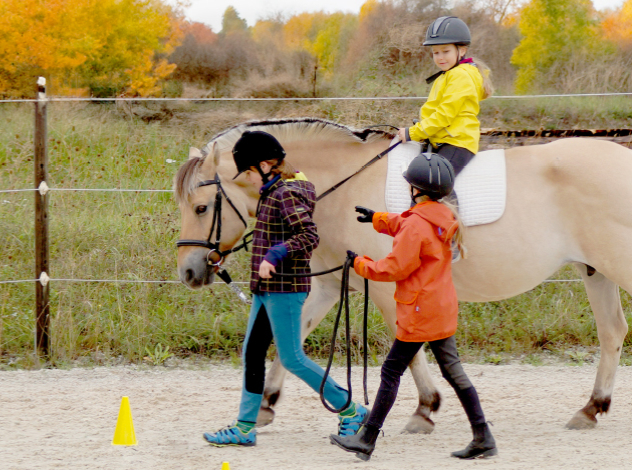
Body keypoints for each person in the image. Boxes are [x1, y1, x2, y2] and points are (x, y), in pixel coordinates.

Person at [203, 130, 368, 447]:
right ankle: (245, 427)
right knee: (252, 353)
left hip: (286, 289)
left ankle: (351, 410)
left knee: (292, 358)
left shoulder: (286, 194)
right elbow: (269, 234)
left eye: (249, 172)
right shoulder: (272, 191)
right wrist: (224, 255)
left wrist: (275, 255)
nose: (248, 180)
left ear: (265, 165)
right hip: (266, 289)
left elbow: (308, 236)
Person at [329, 153, 497, 461]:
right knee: (453, 372)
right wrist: (378, 218)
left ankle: (366, 439)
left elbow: (394, 268)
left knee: (391, 371)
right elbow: (409, 225)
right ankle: (483, 435)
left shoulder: (417, 224)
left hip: (419, 311)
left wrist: (360, 264)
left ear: (416, 190)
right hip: (441, 306)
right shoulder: (442, 215)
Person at [396, 16, 494, 177]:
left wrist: (413, 133)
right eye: (436, 53)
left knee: (434, 182)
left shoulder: (460, 76)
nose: (440, 57)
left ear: (461, 50)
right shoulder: (448, 75)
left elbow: (444, 115)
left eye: (446, 51)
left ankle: (449, 204)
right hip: (444, 139)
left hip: (457, 142)